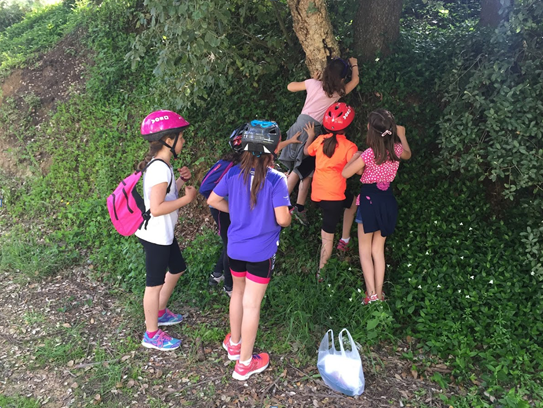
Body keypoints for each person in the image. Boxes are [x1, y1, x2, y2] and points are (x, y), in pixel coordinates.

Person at [207, 120, 291, 380]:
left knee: (237, 294)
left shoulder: (234, 173)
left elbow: (213, 199)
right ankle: (244, 364)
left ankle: (234, 344)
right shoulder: (277, 179)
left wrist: (236, 211)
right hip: (261, 253)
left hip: (235, 249)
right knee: (252, 305)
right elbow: (283, 219)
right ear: (272, 150)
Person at [136, 110, 197, 350]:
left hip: (164, 233)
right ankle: (151, 334)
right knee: (154, 284)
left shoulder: (162, 165)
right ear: (169, 140)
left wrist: (181, 182)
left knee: (177, 267)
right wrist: (187, 199)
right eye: (181, 137)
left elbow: (164, 196)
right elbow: (158, 207)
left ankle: (160, 312)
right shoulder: (160, 169)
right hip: (156, 236)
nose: (184, 141)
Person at [278, 57, 359, 227]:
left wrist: (312, 80)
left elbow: (290, 86)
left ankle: (297, 206)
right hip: (312, 130)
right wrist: (354, 64)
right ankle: (280, 205)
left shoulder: (313, 84)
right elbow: (355, 81)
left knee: (306, 169)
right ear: (342, 78)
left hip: (298, 125)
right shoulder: (337, 93)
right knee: (300, 169)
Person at [342, 109, 411, 304]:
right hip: (387, 201)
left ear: (370, 130)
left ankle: (371, 295)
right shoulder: (397, 149)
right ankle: (379, 295)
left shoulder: (369, 154)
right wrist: (402, 135)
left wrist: (355, 157)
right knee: (378, 251)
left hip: (369, 201)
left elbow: (346, 173)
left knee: (364, 250)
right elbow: (408, 154)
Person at [304, 102, 359, 280]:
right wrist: (361, 156)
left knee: (353, 202)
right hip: (334, 197)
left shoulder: (320, 140)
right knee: (327, 237)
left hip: (319, 194)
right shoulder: (350, 147)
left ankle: (345, 240)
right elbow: (357, 170)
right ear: (348, 126)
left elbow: (306, 151)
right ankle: (321, 273)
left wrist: (310, 136)